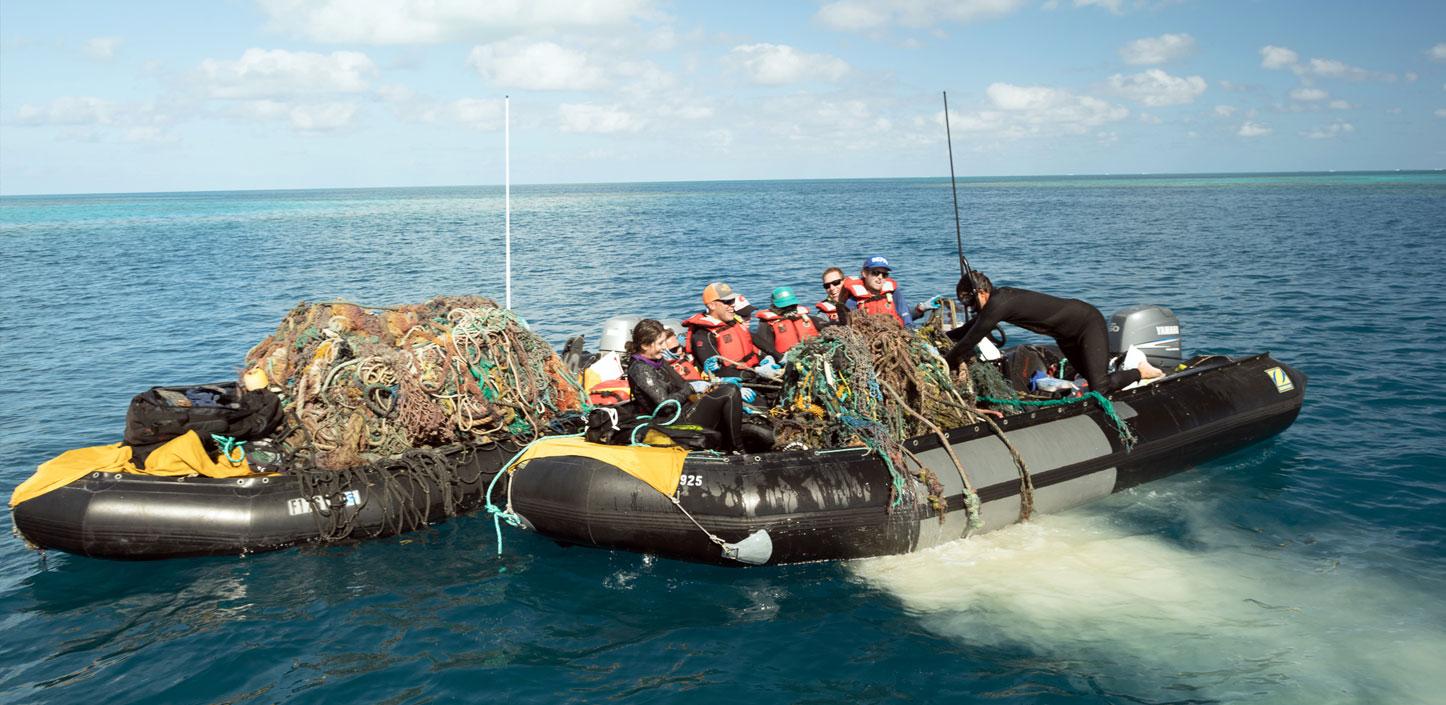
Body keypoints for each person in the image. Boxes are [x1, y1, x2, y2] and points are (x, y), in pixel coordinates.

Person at [944, 271, 1164, 395]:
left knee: (1100, 387)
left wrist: (947, 360)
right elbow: (969, 328)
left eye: (973, 301)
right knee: (1091, 378)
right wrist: (942, 336)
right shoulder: (996, 303)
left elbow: (973, 336)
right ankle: (1118, 371)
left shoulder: (998, 303)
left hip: (1087, 324)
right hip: (1065, 336)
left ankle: (1140, 371)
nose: (973, 307)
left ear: (982, 293)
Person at [626, 319, 747, 452]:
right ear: (644, 345)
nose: (663, 347)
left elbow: (682, 384)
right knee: (729, 392)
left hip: (683, 410)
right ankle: (738, 450)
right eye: (660, 343)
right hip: (670, 421)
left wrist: (712, 384)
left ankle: (729, 442)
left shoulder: (657, 361)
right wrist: (690, 389)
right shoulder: (641, 370)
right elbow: (666, 405)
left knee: (726, 387)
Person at [682, 282, 762, 378]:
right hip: (730, 383)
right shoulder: (702, 334)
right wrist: (754, 374)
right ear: (712, 305)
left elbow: (751, 342)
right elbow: (717, 371)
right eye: (727, 302)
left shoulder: (733, 323)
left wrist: (766, 359)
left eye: (733, 301)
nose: (732, 305)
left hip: (750, 372)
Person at [838, 256, 913, 327]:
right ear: (864, 273)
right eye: (875, 273)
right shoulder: (853, 301)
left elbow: (906, 319)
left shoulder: (894, 293)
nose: (880, 277)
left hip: (897, 335)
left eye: (884, 274)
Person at [754, 286, 823, 359]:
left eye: (792, 306)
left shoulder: (807, 318)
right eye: (784, 307)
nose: (789, 309)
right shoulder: (768, 324)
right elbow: (764, 349)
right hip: (786, 360)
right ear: (775, 306)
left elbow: (830, 329)